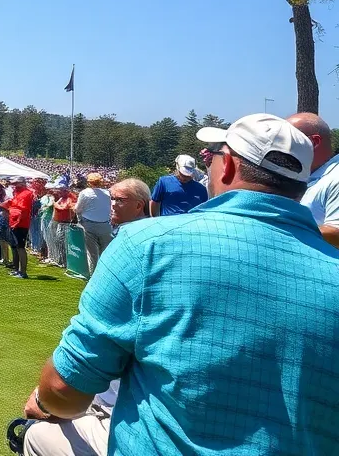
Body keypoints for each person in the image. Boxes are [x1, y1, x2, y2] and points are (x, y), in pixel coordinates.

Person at [29, 113, 339, 454]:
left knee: (36, 433)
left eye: (215, 154)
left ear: (229, 167)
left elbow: (63, 393)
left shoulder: (145, 243)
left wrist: (43, 403)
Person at [21, 178, 150, 456]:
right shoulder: (127, 233)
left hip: (123, 414)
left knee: (33, 435)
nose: (113, 204)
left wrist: (46, 406)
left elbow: (66, 383)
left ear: (140, 205)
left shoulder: (137, 243)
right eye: (112, 198)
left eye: (120, 200)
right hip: (124, 402)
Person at [287, 112, 339, 248]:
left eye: (286, 139)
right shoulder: (306, 176)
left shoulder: (336, 178)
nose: (279, 146)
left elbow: (336, 233)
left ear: (313, 142)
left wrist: (282, 228)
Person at [73, 173, 112, 275]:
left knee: (92, 253)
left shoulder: (85, 193)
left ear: (89, 182)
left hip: (89, 225)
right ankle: (105, 274)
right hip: (106, 224)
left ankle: (93, 275)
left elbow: (78, 209)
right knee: (105, 252)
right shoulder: (108, 193)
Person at [5, 176, 35, 279]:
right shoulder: (17, 193)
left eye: (16, 184)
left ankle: (23, 272)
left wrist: (17, 222)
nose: (14, 186)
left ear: (22, 183)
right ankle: (17, 270)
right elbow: (14, 204)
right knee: (16, 247)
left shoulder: (27, 194)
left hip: (20, 224)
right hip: (14, 222)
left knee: (21, 247)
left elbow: (23, 210)